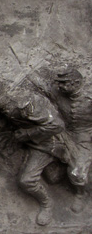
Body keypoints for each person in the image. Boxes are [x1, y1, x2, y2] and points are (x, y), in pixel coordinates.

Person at [0, 76, 65, 226]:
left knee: (27, 180)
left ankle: (46, 203)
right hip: (23, 137)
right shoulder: (2, 101)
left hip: (45, 143)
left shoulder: (25, 103)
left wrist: (27, 134)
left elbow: (56, 126)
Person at [30, 67, 92, 213]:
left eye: (64, 83)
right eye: (60, 83)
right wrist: (29, 71)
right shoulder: (59, 92)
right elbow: (43, 86)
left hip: (83, 136)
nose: (60, 86)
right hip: (61, 132)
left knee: (78, 171)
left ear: (76, 83)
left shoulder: (89, 98)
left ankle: (80, 193)